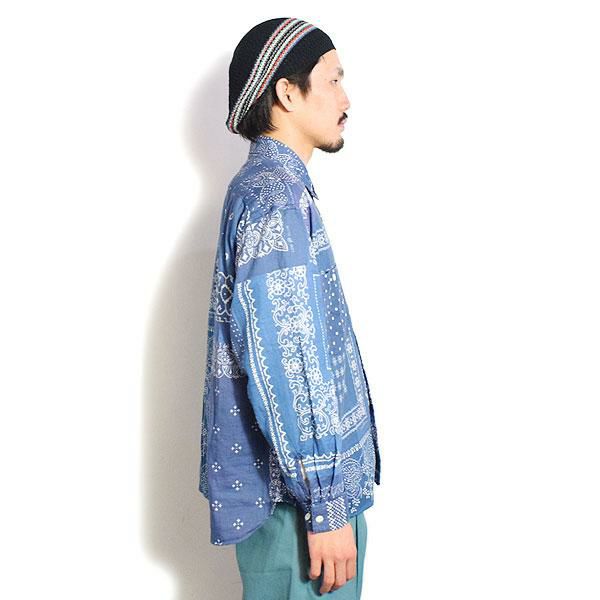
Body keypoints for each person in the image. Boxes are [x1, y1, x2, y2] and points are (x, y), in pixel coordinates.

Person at [198, 17, 382, 599]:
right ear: (287, 92)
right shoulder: (273, 199)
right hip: (299, 510)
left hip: (302, 499)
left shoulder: (274, 191)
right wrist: (327, 505)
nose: (346, 98)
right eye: (333, 80)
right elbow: (288, 359)